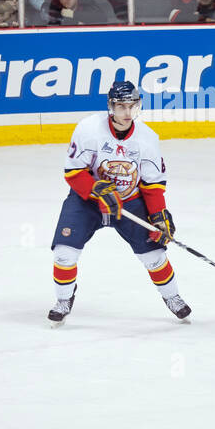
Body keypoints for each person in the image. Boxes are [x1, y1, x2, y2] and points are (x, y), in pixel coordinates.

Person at [48, 81, 190, 326]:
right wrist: (95, 189)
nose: (127, 113)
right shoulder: (88, 129)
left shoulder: (147, 138)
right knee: (64, 254)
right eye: (121, 106)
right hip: (88, 201)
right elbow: (73, 172)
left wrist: (158, 215)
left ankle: (173, 297)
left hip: (130, 202)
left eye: (132, 106)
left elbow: (152, 184)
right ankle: (63, 299)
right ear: (110, 106)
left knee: (154, 256)